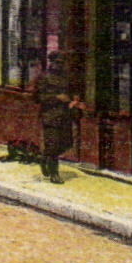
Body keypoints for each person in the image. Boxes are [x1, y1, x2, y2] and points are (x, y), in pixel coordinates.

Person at [32, 51, 83, 184]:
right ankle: (54, 174)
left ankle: (44, 157)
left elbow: (72, 92)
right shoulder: (43, 77)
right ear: (51, 62)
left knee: (67, 144)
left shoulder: (65, 77)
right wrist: (56, 97)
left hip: (65, 115)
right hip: (50, 116)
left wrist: (74, 100)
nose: (59, 66)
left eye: (62, 63)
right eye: (57, 63)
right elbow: (37, 98)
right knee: (53, 145)